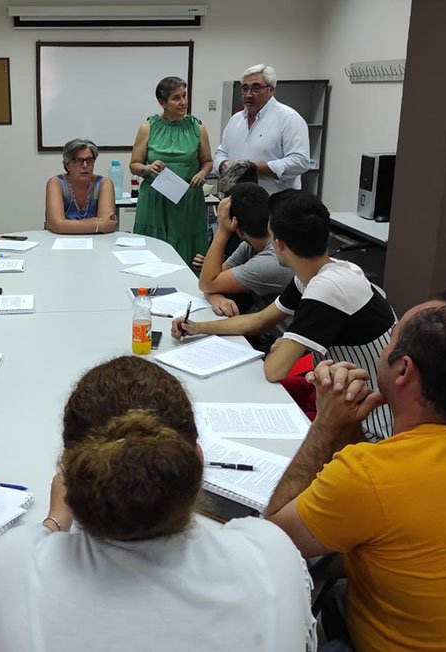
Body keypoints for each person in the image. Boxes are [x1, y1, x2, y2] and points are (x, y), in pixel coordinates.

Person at [265, 294, 446, 650]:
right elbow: (389, 507)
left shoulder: (368, 476)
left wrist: (325, 426)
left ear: (404, 370)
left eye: (392, 335)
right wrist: (347, 430)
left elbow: (271, 540)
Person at [0, 356, 315, 652]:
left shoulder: (14, 564)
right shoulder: (269, 555)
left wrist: (54, 520)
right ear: (196, 460)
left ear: (70, 472)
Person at [173, 190, 397, 441]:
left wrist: (281, 346)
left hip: (372, 426)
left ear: (278, 243)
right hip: (350, 398)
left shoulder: (326, 289)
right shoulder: (326, 271)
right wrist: (197, 327)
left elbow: (275, 369)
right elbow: (260, 320)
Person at [129, 75, 213, 264]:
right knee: (153, 250)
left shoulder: (198, 127)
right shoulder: (148, 127)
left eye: (184, 96)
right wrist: (148, 168)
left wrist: (201, 174)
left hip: (187, 199)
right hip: (155, 199)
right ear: (162, 102)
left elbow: (208, 161)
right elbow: (134, 165)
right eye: (176, 98)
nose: (183, 102)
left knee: (186, 249)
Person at [197, 182, 293, 318]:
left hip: (281, 331)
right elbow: (212, 280)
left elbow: (206, 283)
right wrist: (215, 296)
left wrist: (222, 231)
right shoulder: (251, 245)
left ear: (237, 228)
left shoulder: (270, 261)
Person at [212, 64, 310, 194]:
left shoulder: (289, 118)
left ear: (271, 90)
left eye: (256, 89)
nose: (248, 95)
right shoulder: (235, 120)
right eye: (245, 88)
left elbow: (300, 162)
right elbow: (221, 152)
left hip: (275, 203)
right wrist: (223, 164)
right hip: (238, 200)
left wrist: (254, 168)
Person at [44, 137, 117, 234]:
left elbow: (108, 222)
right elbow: (57, 225)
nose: (85, 165)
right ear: (67, 164)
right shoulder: (56, 183)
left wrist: (66, 225)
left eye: (90, 160)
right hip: (61, 242)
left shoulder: (104, 183)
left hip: (98, 241)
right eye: (79, 160)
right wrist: (98, 225)